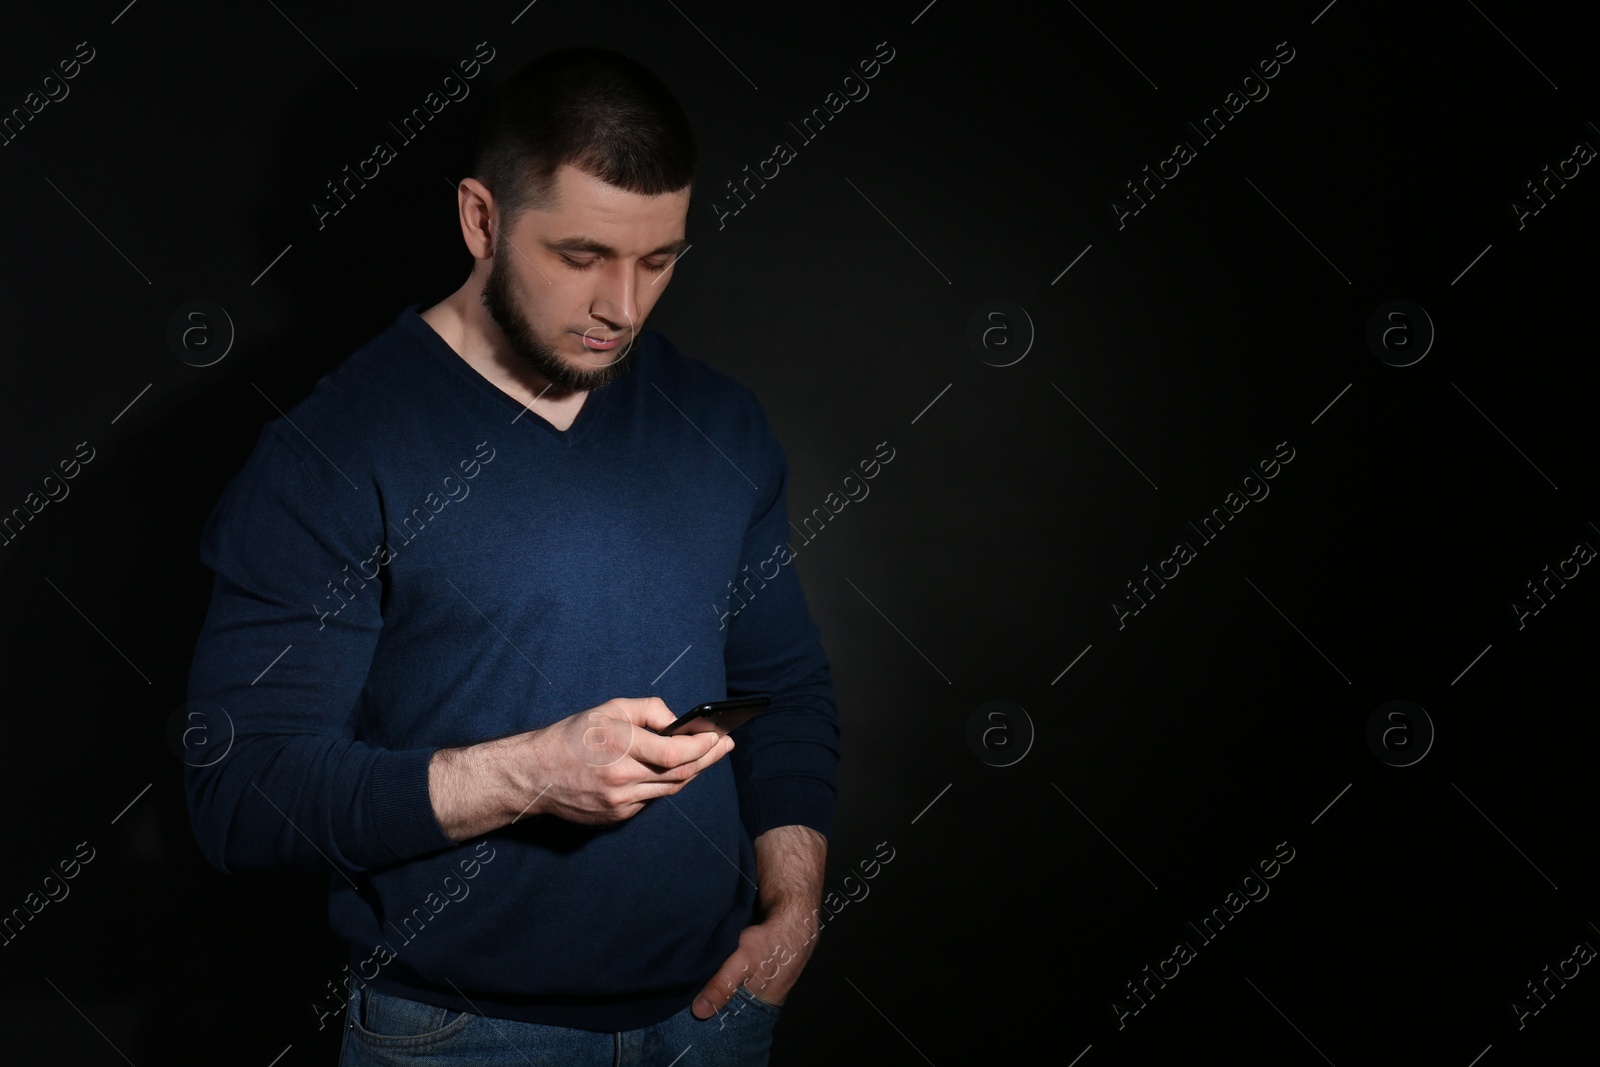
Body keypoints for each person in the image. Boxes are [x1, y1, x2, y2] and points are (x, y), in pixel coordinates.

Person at [183, 46, 840, 1067]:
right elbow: (240, 792)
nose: (620, 306)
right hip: (461, 1035)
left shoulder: (720, 422)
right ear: (481, 220)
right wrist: (532, 773)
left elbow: (783, 690)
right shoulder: (332, 452)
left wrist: (793, 904)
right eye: (581, 256)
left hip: (714, 1019)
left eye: (657, 260)